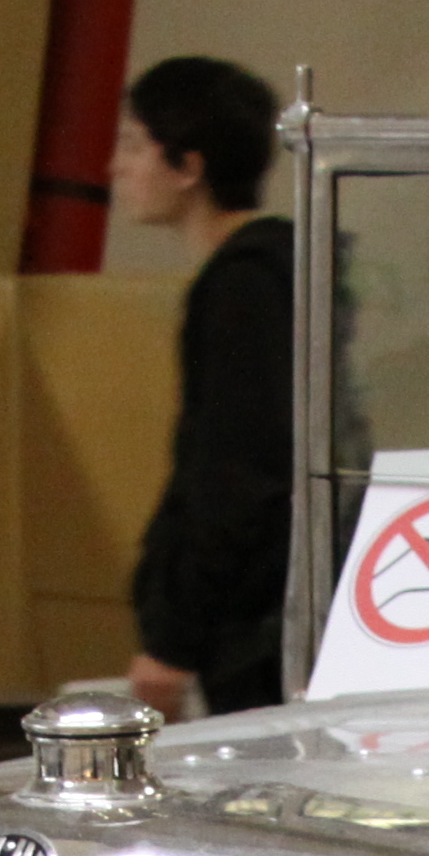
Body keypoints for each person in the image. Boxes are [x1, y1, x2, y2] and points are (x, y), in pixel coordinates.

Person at [113, 55, 292, 721]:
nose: (116, 168)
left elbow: (235, 471)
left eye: (134, 146)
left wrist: (173, 639)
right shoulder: (275, 271)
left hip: (255, 633)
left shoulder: (243, 286)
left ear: (189, 166)